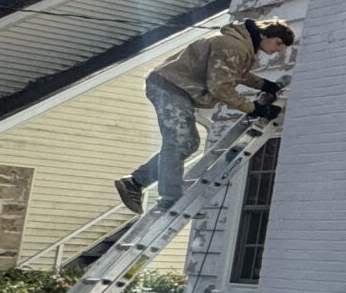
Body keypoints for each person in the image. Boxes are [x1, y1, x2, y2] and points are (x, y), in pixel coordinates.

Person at [116, 16, 294, 212]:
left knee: (189, 143)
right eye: (278, 43)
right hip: (169, 87)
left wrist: (265, 85)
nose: (279, 49)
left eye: (283, 47)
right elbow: (220, 88)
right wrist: (255, 109)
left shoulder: (241, 45)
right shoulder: (233, 46)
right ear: (264, 35)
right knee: (178, 141)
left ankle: (135, 182)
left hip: (178, 89)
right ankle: (169, 199)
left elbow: (234, 73)